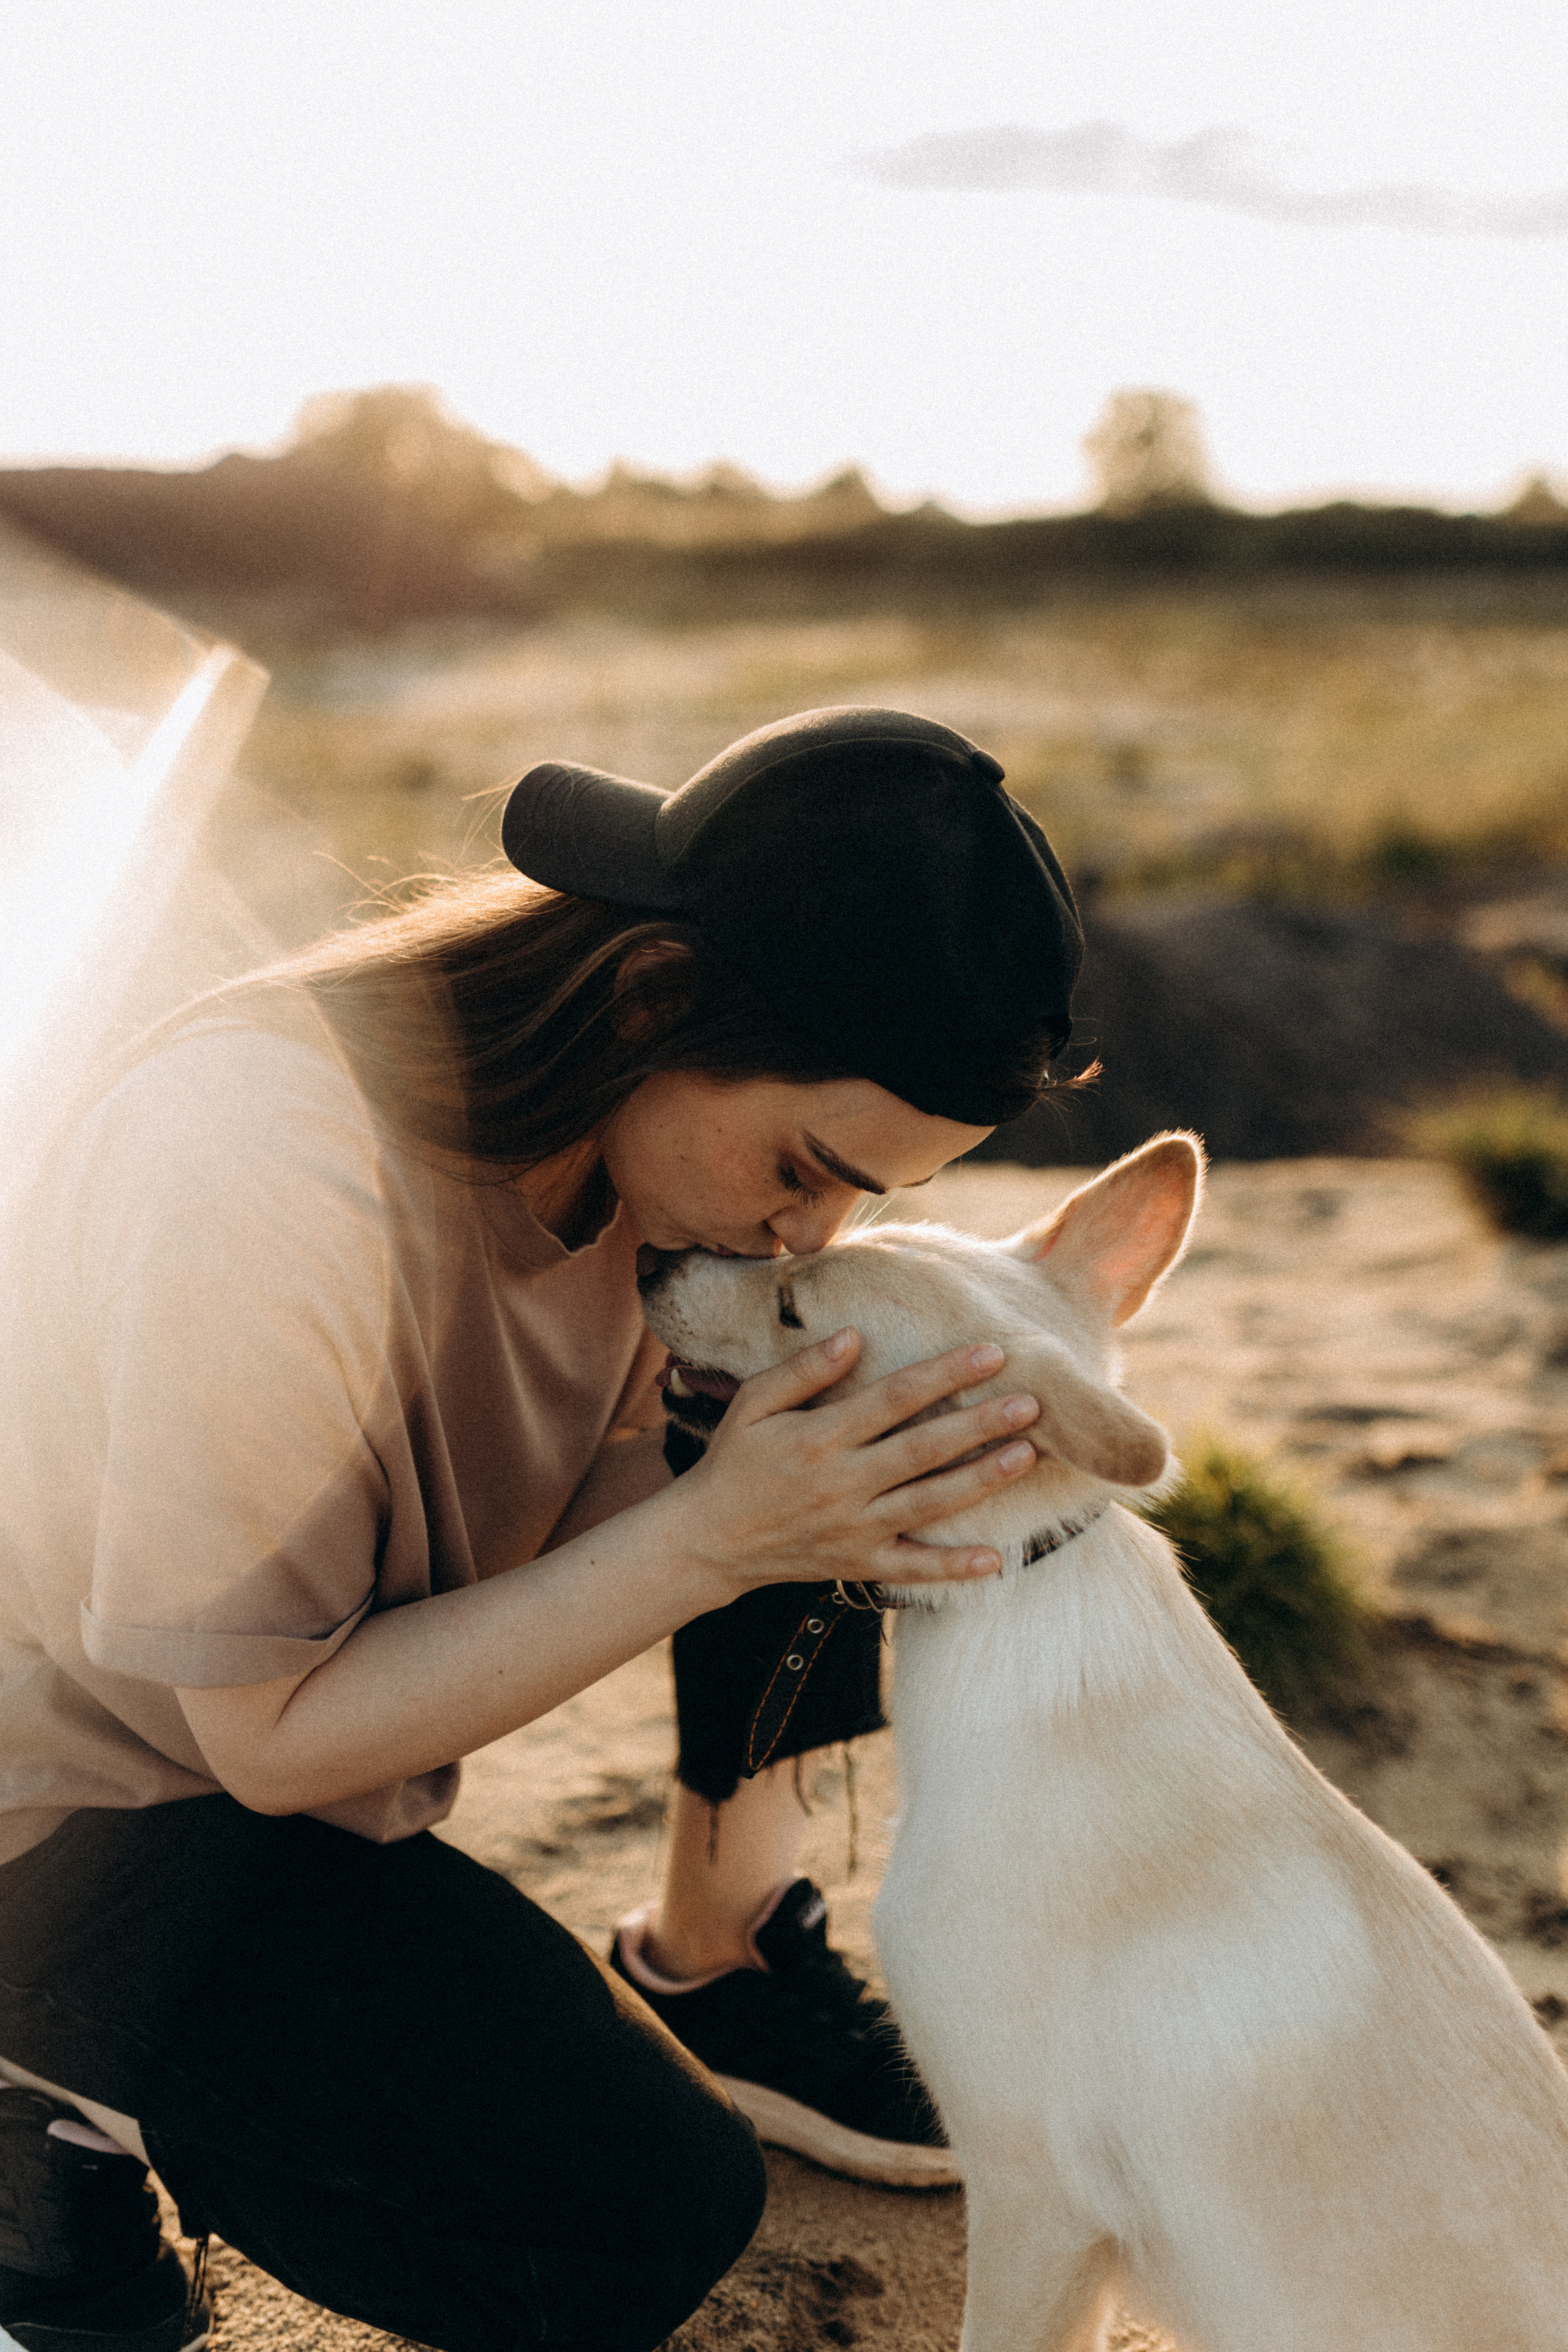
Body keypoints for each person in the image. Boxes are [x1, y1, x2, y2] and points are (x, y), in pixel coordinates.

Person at [0, 704, 1084, 2352]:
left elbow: (612, 1490)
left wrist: (816, 1465)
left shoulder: (620, 1149)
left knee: (849, 1408)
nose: (817, 1228)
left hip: (263, 1749)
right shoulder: (270, 1171)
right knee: (622, 2226)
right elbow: (275, 1744)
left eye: (872, 1192)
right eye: (809, 1167)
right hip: (71, 1803)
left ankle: (723, 1959)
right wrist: (723, 1533)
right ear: (656, 995)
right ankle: (36, 2090)